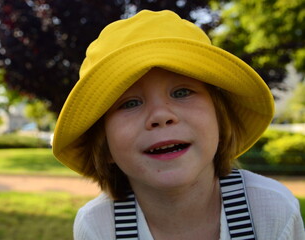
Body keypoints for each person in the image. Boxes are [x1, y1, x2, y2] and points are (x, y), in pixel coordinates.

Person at [52, 10, 305, 240]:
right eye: (129, 103)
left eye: (182, 92)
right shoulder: (98, 226)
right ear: (104, 146)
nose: (161, 115)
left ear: (220, 119)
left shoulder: (271, 210)